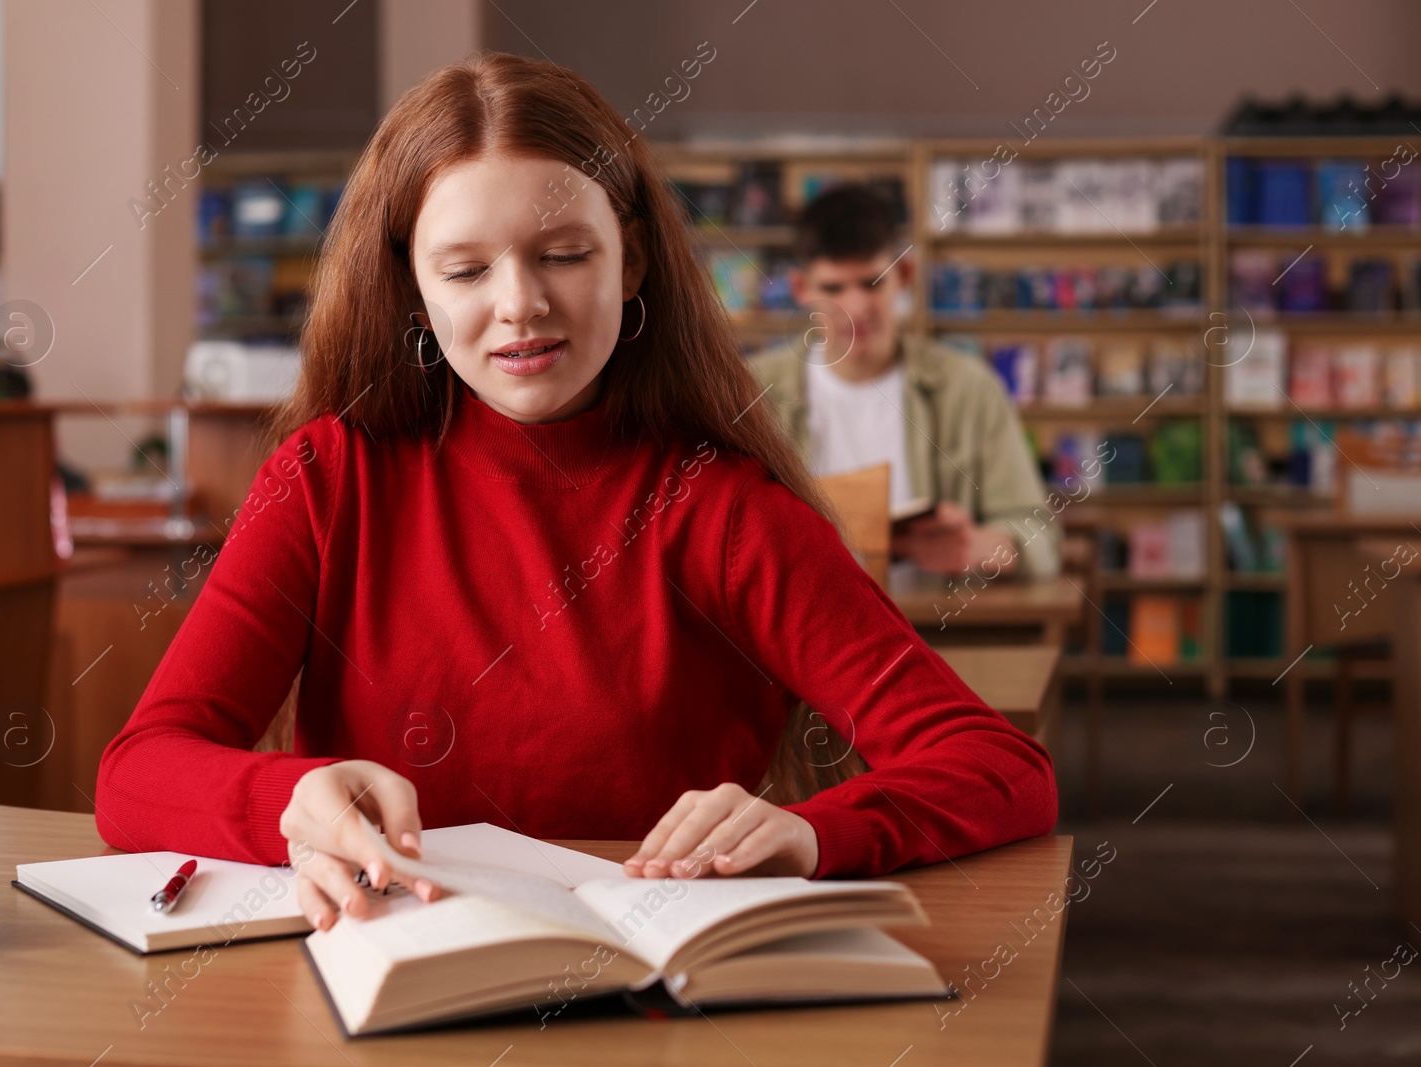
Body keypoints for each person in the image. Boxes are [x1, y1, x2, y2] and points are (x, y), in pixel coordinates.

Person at [95, 52, 1056, 932]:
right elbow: (135, 774)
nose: (520, 304)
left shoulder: (726, 512)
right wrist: (285, 800)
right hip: (380, 994)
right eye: (466, 269)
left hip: (647, 999)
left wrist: (811, 833)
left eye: (564, 255)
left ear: (632, 259)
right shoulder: (325, 479)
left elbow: (1002, 769)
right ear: (413, 290)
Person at [745, 184, 1060, 581]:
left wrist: (977, 546)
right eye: (833, 288)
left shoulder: (970, 388)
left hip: (932, 632)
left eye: (872, 283)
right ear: (800, 289)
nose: (855, 307)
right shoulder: (751, 391)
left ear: (904, 275)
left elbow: (1040, 536)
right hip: (795, 636)